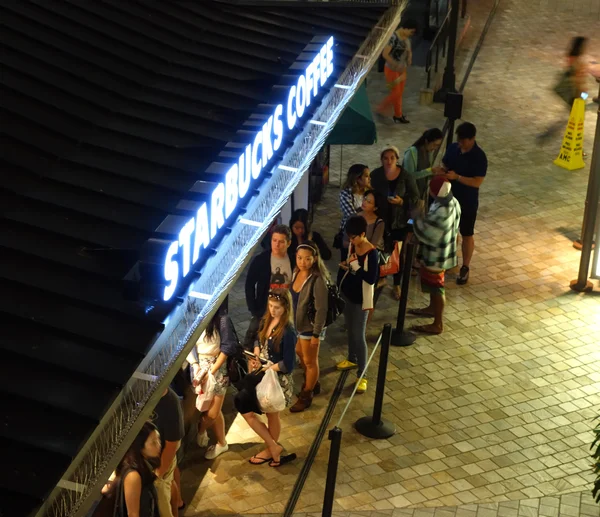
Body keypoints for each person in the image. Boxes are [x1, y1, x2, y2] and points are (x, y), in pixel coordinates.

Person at [237, 288, 297, 467]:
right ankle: (273, 447)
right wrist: (256, 354)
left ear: (286, 308)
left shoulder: (289, 331)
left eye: (277, 307)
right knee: (242, 403)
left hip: (276, 380)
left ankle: (270, 449)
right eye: (271, 306)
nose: (273, 310)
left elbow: (289, 364)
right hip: (262, 373)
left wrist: (269, 366)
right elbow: (258, 339)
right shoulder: (266, 320)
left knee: (272, 416)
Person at [409, 176, 461, 335]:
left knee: (438, 288)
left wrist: (416, 217)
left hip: (436, 255)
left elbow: (429, 232)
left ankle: (438, 323)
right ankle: (432, 309)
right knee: (434, 285)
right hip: (444, 251)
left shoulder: (442, 210)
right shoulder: (453, 202)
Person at [187, 303, 237, 459]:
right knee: (208, 407)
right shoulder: (193, 319)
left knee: (213, 413)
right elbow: (188, 346)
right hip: (199, 368)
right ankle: (222, 443)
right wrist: (195, 367)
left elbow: (228, 347)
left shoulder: (222, 319)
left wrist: (212, 371)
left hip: (217, 367)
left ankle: (201, 429)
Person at [441, 122, 487, 285]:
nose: (460, 143)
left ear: (472, 139)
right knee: (450, 231)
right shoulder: (453, 148)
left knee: (466, 233)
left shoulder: (479, 157)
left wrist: (457, 177)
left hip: (467, 201)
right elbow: (444, 165)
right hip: (449, 198)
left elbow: (477, 182)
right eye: (459, 140)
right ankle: (450, 260)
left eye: (463, 141)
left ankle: (465, 267)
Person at [336, 216, 378, 393]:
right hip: (348, 294)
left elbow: (371, 278)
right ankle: (352, 358)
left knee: (359, 335)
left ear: (363, 234)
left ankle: (363, 374)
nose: (351, 241)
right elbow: (351, 266)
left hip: (361, 299)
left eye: (354, 237)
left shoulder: (372, 253)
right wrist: (347, 265)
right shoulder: (354, 246)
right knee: (350, 328)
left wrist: (354, 266)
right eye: (349, 237)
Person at [370, 145, 419, 299]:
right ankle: (381, 277)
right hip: (381, 221)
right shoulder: (376, 175)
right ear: (381, 160)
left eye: (392, 158)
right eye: (386, 158)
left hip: (400, 222)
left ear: (397, 159)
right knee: (380, 251)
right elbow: (370, 193)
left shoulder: (405, 176)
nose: (389, 161)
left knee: (398, 254)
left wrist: (401, 202)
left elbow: (415, 198)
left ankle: (397, 284)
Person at [289, 241, 330, 412]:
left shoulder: (317, 279)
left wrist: (316, 334)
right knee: (300, 353)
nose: (302, 262)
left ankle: (307, 394)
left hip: (310, 326)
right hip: (297, 325)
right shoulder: (296, 271)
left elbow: (322, 309)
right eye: (299, 258)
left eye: (307, 259)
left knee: (310, 361)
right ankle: (313, 381)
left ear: (314, 259)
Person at [244, 225, 293, 348]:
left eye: (281, 242)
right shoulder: (261, 260)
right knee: (253, 339)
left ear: (288, 243)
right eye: (274, 240)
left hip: (286, 308)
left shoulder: (293, 259)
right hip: (264, 308)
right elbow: (249, 284)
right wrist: (253, 308)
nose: (277, 245)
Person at [103, 421, 162, 517]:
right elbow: (133, 514)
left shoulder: (145, 462)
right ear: (140, 446)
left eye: (158, 439)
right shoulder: (133, 475)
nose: (159, 445)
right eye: (153, 442)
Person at [539, 37, 589, 141]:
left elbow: (570, 68)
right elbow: (578, 75)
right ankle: (575, 124)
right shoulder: (578, 59)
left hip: (574, 86)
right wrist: (583, 88)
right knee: (579, 104)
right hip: (576, 88)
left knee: (577, 104)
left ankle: (574, 117)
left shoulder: (571, 56)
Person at [377, 19, 418, 124]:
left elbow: (409, 51)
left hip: (401, 69)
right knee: (396, 92)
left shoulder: (407, 39)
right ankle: (382, 108)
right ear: (405, 28)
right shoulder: (393, 38)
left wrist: (409, 58)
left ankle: (398, 114)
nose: (411, 34)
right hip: (391, 69)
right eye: (411, 31)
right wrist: (395, 64)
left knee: (399, 93)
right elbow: (385, 54)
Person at [152, 388, 184, 517]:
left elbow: (172, 444)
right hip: (152, 453)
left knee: (162, 490)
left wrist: (159, 473)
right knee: (169, 482)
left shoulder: (170, 402)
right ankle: (178, 504)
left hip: (163, 453)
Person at [336, 164, 371, 262]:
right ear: (358, 178)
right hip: (351, 233)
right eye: (366, 176)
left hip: (366, 233)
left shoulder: (369, 192)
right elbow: (352, 216)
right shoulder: (346, 194)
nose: (369, 178)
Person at [403, 128, 444, 199]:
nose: (435, 148)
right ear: (426, 141)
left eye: (438, 145)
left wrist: (435, 174)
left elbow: (424, 174)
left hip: (421, 193)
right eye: (434, 145)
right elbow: (409, 176)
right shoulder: (411, 153)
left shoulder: (429, 153)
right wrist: (430, 171)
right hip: (410, 195)